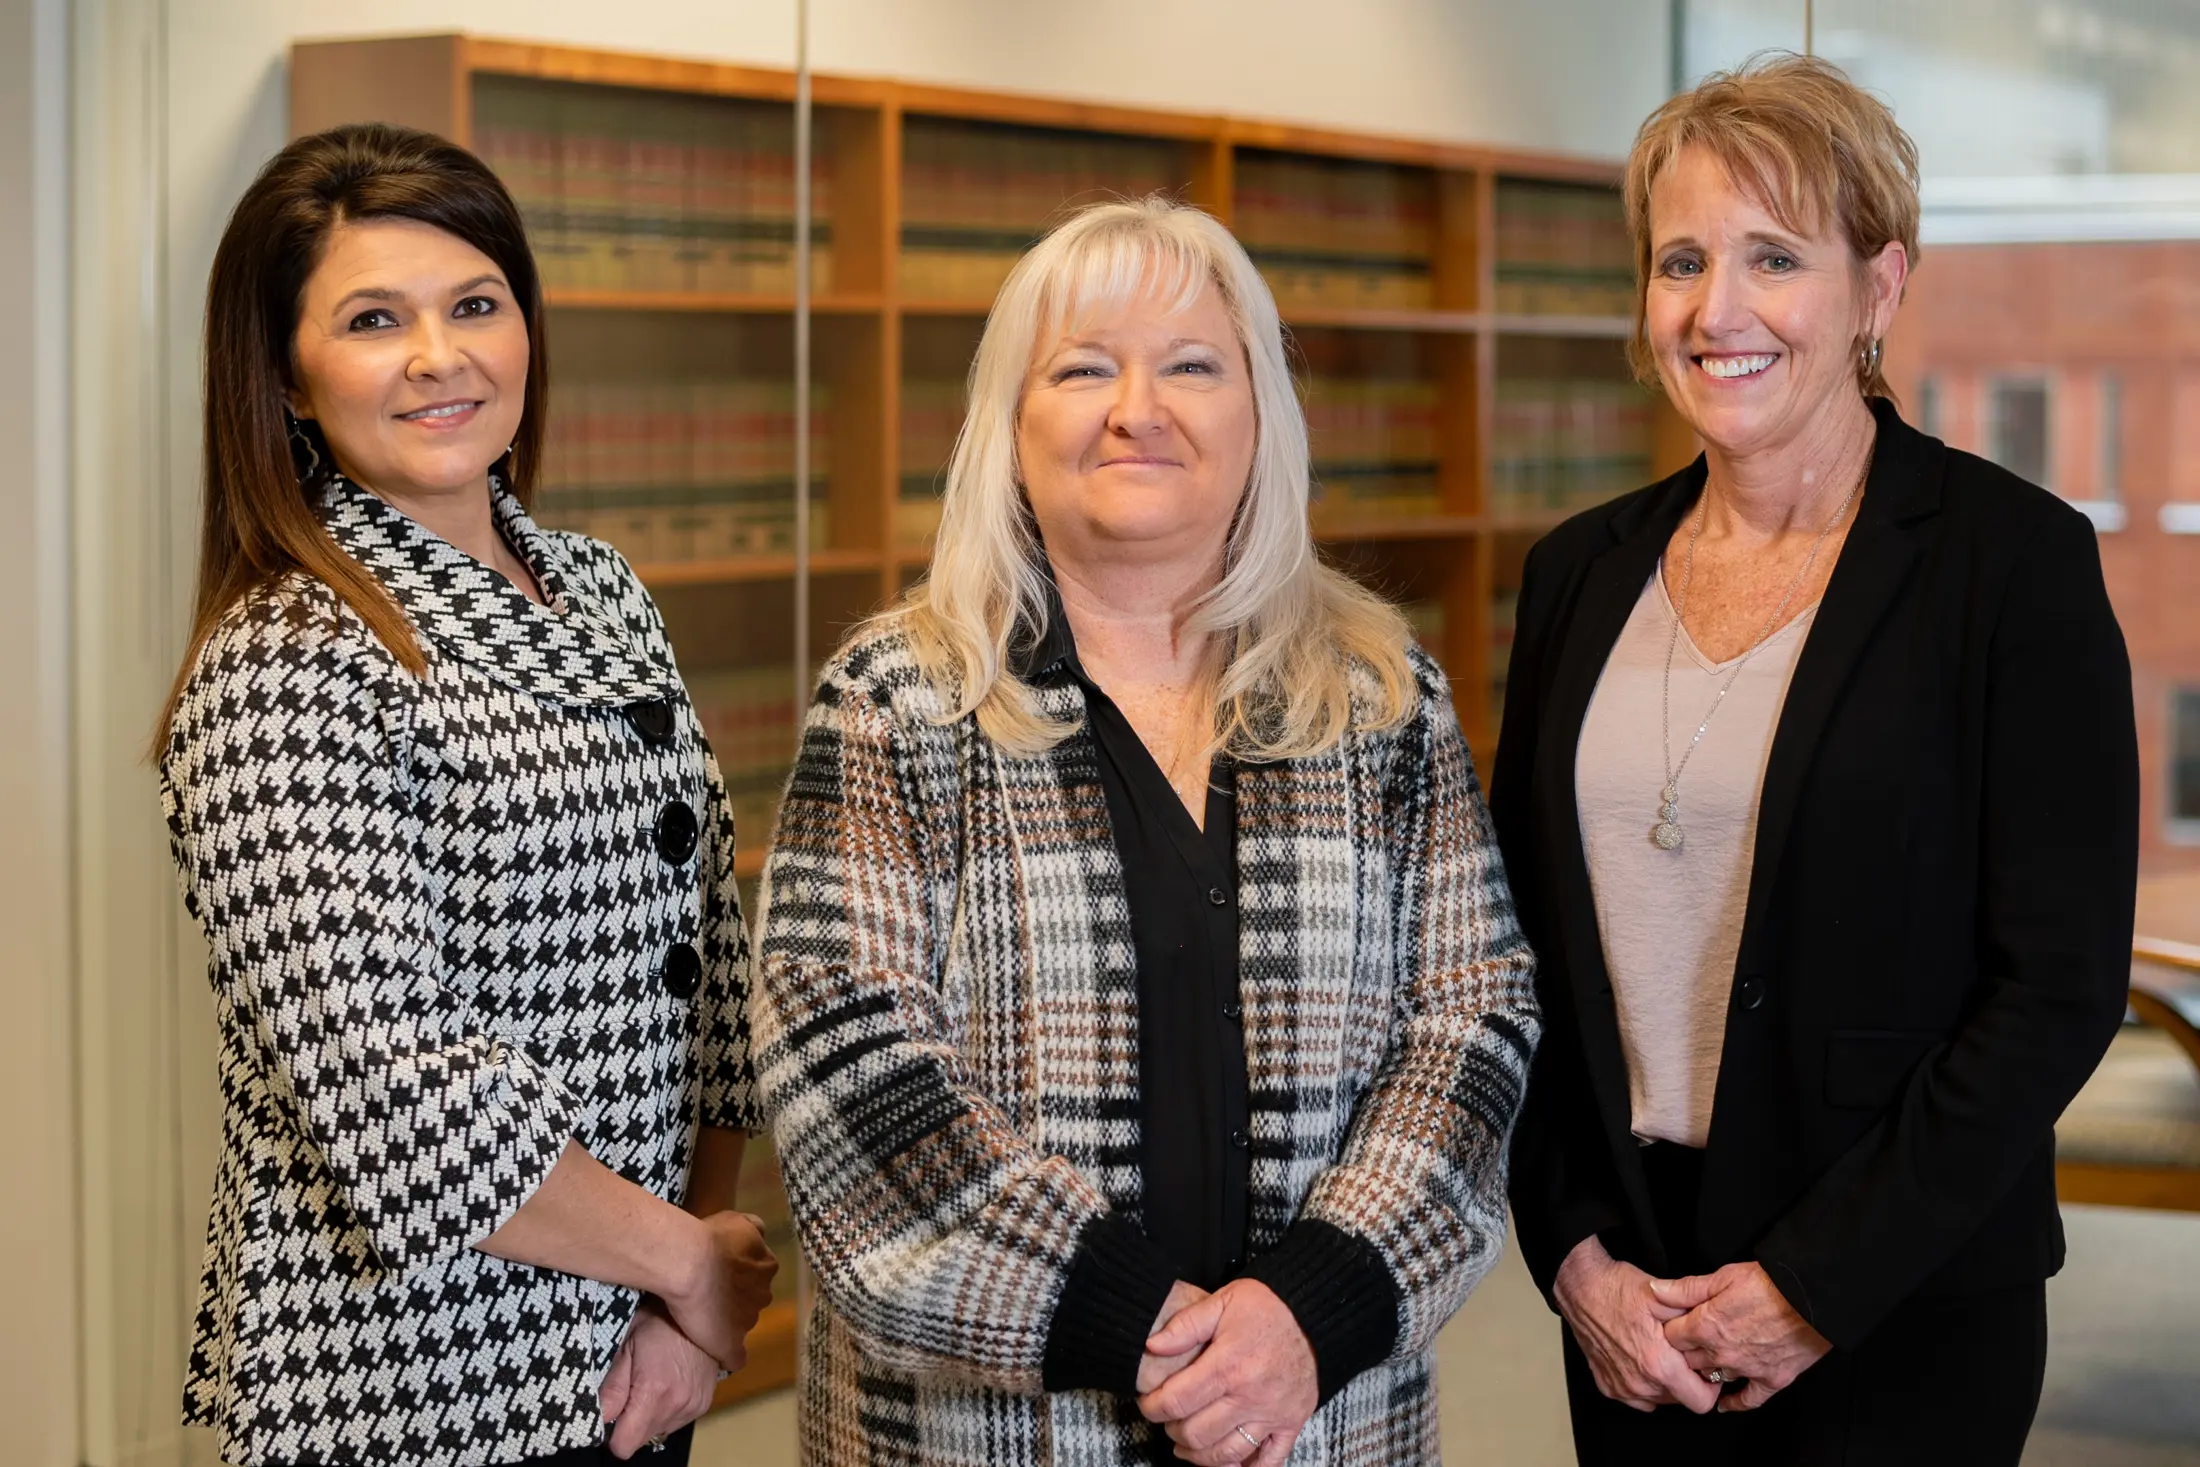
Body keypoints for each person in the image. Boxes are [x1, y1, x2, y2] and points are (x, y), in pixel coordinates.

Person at [749, 196, 1539, 1465]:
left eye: (1190, 366)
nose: (1138, 408)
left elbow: (1473, 1018)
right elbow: (843, 1052)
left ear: (1258, 417)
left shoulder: (1378, 692)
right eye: (1081, 368)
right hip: (988, 1433)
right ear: (1010, 425)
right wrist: (1153, 1330)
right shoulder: (900, 699)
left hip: (1325, 1417)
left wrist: (1307, 1319)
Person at [1492, 53, 2139, 1465]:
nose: (1717, 310)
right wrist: (1573, 1254)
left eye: (1774, 257)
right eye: (1680, 261)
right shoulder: (1575, 575)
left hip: (1897, 1290)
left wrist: (1812, 1286)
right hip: (1630, 1301)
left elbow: (2058, 984)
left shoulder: (2009, 565)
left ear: (1880, 287)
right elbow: (1516, 956)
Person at [157, 123, 778, 1467]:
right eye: (376, 319)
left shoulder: (600, 587)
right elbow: (393, 1088)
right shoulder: (285, 659)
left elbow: (705, 965)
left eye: (476, 304)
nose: (442, 357)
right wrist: (692, 1260)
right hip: (421, 1374)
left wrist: (687, 1305)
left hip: (632, 1347)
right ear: (287, 377)